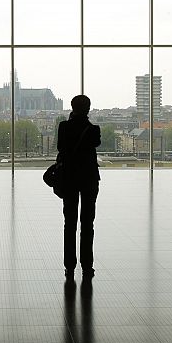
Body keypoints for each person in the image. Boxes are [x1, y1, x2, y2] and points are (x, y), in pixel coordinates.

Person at [57, 95, 101, 278]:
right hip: (89, 178)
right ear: (88, 109)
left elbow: (61, 147)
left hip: (69, 178)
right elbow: (95, 145)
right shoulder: (93, 129)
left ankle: (69, 265)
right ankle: (87, 265)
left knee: (70, 223)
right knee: (87, 223)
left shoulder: (64, 127)